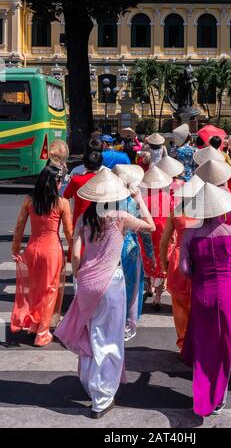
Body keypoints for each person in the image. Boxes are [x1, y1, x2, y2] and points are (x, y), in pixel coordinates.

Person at [55, 168, 155, 419]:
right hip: (111, 284)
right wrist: (139, 198)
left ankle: (92, 386)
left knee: (91, 335)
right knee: (109, 340)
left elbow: (76, 254)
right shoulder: (120, 217)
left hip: (87, 283)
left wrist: (79, 278)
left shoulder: (84, 219)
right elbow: (151, 227)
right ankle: (101, 397)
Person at [179, 182, 231, 417]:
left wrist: (200, 271)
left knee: (203, 344)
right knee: (225, 344)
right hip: (227, 293)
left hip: (201, 293)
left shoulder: (190, 234)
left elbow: (184, 269)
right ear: (222, 210)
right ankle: (219, 398)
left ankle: (202, 394)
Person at [11, 165, 73, 346]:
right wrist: (75, 252)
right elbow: (69, 233)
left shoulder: (29, 201)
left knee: (35, 289)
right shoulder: (62, 203)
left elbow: (19, 228)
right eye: (60, 181)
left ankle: (33, 325)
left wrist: (15, 249)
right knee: (49, 290)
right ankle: (42, 333)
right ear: (56, 183)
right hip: (52, 251)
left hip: (32, 249)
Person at [112, 164, 155, 341]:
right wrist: (150, 254)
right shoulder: (133, 202)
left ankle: (112, 321)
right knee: (131, 288)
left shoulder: (106, 200)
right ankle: (127, 325)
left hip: (110, 249)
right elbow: (147, 230)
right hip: (129, 249)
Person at [160, 177, 203, 351]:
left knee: (179, 304)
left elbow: (164, 241)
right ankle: (197, 341)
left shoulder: (176, 212)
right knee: (197, 303)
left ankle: (184, 342)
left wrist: (164, 263)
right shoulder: (205, 213)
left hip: (178, 259)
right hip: (199, 259)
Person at [139, 165, 173, 311]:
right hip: (163, 233)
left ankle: (150, 288)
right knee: (162, 263)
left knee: (147, 259)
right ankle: (158, 297)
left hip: (147, 231)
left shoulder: (142, 197)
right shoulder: (168, 197)